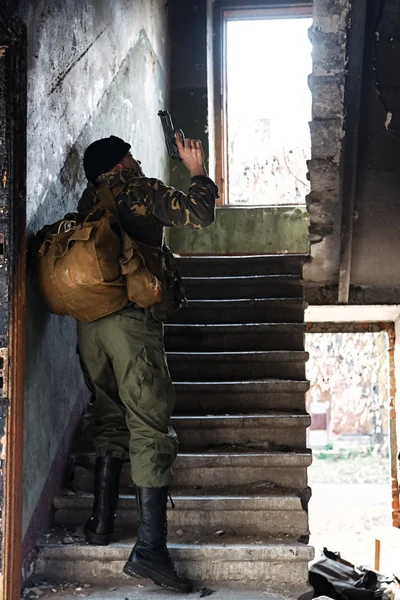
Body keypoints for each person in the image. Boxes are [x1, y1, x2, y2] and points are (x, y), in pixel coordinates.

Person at [76, 133, 217, 594]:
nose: (136, 159)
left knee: (110, 414)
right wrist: (197, 171)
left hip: (90, 324)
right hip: (129, 324)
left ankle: (101, 523)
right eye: (130, 155)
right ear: (119, 164)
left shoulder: (86, 201)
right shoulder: (135, 188)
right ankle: (150, 551)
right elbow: (199, 214)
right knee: (149, 424)